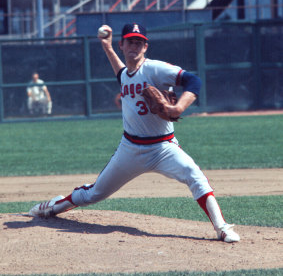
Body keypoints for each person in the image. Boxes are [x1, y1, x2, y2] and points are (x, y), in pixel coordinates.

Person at [28, 23, 240, 243]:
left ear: (146, 47)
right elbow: (122, 74)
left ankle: (222, 228)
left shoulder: (155, 68)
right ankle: (53, 207)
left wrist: (179, 108)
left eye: (139, 42)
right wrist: (107, 48)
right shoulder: (126, 74)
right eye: (130, 41)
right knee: (94, 194)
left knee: (195, 176)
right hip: (129, 149)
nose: (135, 46)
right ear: (122, 44)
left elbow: (193, 80)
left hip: (163, 148)